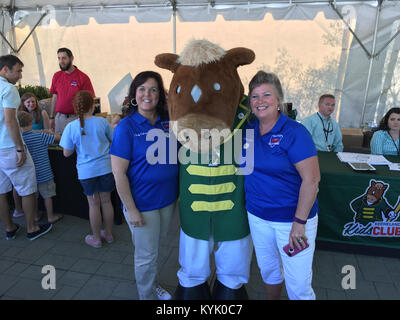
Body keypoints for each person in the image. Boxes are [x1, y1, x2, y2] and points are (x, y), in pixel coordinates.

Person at [244, 71, 320, 300]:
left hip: (291, 222)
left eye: (267, 94)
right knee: (269, 272)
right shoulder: (247, 130)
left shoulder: (295, 132)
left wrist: (299, 223)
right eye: (255, 96)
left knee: (298, 285)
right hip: (258, 217)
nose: (260, 101)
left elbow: (312, 180)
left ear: (278, 99)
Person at [110, 71, 178, 300]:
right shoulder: (126, 127)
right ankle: (146, 296)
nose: (147, 94)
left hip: (167, 201)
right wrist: (131, 210)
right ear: (134, 94)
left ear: (160, 94)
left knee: (154, 248)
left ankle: (151, 284)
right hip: (142, 204)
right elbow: (118, 173)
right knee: (146, 255)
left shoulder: (169, 121)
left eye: (153, 89)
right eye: (142, 89)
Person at [0, 54, 52, 241]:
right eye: (18, 70)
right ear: (6, 70)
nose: (20, 75)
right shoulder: (8, 89)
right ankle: (32, 228)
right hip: (9, 147)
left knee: (1, 191)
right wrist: (20, 148)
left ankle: (9, 228)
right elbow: (10, 120)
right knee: (28, 188)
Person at [59, 90, 115, 248]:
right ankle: (109, 234)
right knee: (106, 201)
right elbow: (114, 140)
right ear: (93, 106)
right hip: (105, 168)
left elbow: (67, 153)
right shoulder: (102, 122)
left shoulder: (71, 127)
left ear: (76, 108)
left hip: (86, 171)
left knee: (94, 204)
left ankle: (96, 238)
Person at [17, 111, 63, 224]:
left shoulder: (19, 140)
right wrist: (48, 132)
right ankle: (51, 216)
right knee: (47, 196)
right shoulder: (40, 135)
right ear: (32, 122)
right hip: (44, 172)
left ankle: (36, 216)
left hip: (29, 174)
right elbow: (59, 138)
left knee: (33, 196)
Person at [49, 48, 95, 134]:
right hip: (60, 118)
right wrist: (51, 117)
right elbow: (54, 97)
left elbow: (90, 99)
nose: (61, 61)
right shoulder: (56, 76)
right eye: (59, 58)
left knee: (77, 145)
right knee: (61, 146)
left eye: (64, 58)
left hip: (77, 118)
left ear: (71, 58)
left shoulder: (83, 77)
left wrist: (86, 119)